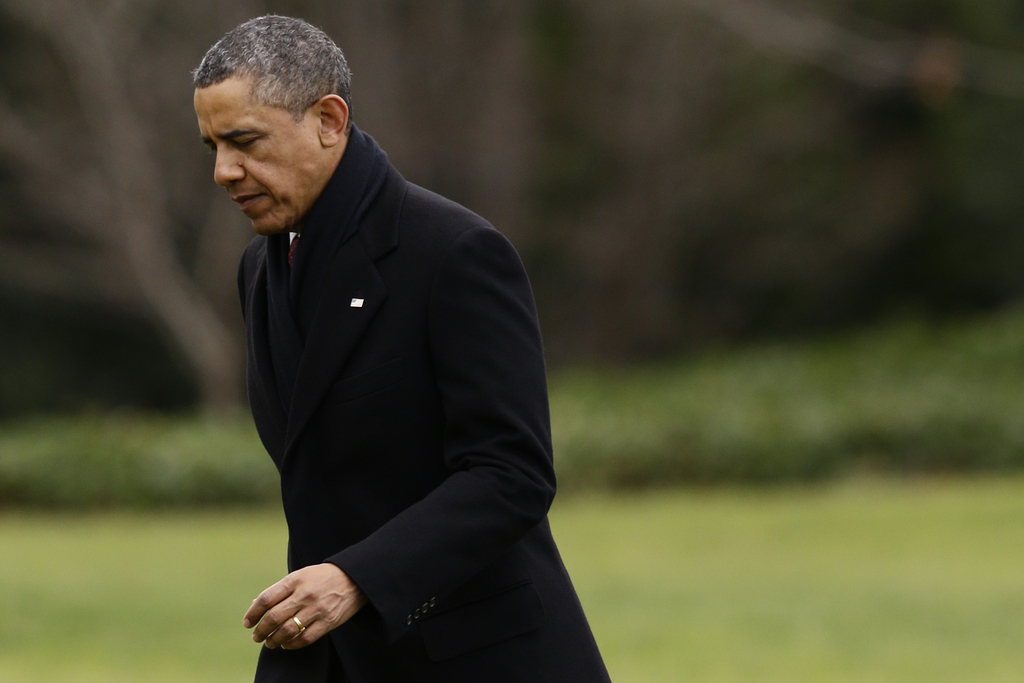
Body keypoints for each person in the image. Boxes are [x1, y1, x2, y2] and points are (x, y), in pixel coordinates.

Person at [193, 15, 611, 683]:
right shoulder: (260, 270)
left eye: (244, 141)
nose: (223, 171)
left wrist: (355, 576)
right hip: (326, 658)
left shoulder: (455, 253)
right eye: (213, 145)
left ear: (330, 119)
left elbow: (512, 474)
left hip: (477, 658)